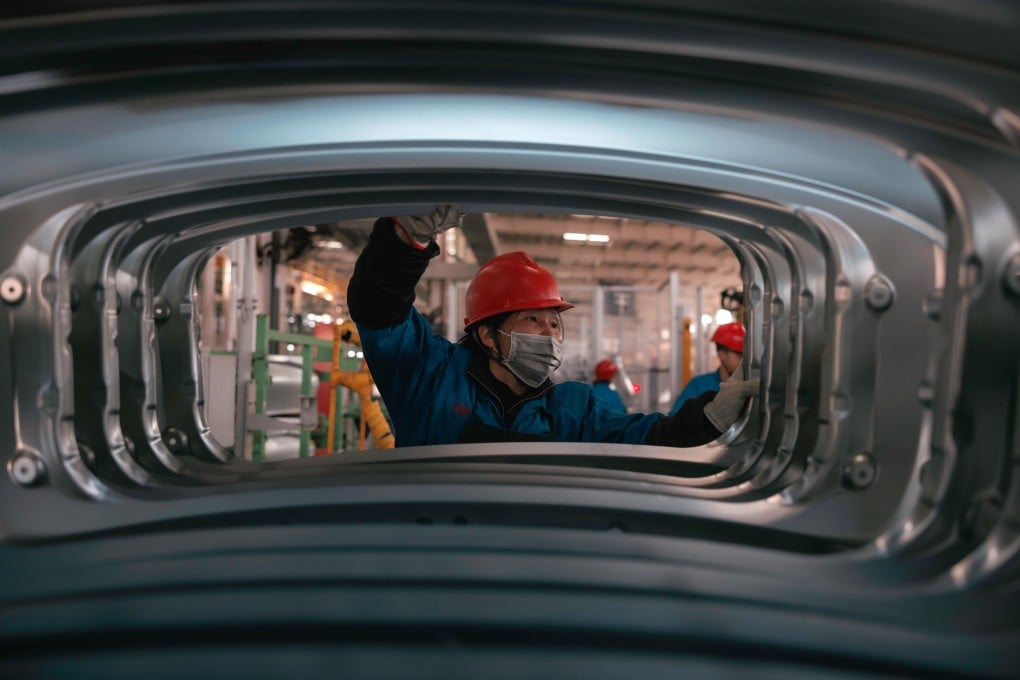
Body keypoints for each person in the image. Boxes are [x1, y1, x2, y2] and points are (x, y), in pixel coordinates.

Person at [347, 205, 758, 447]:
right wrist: (404, 241)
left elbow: (651, 438)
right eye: (531, 319)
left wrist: (713, 416)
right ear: (488, 335)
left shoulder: (573, 410)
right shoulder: (430, 376)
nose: (549, 334)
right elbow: (378, 308)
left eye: (554, 323)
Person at [669, 321, 745, 415]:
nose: (743, 360)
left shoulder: (749, 388)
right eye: (739, 354)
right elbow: (675, 421)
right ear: (721, 354)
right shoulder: (699, 386)